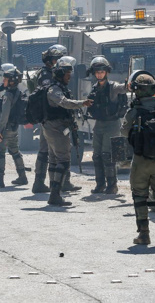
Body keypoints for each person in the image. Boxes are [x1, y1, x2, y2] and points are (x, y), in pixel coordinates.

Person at [121, 72, 155, 248]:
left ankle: (144, 234)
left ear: (137, 91)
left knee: (139, 195)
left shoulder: (134, 111)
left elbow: (123, 132)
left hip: (141, 161)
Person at [42, 56, 93, 206]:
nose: (69, 78)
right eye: (67, 75)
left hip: (56, 127)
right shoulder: (54, 90)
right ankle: (55, 194)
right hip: (55, 129)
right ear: (60, 75)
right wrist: (81, 103)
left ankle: (54, 191)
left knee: (54, 160)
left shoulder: (59, 88)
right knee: (63, 160)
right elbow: (64, 103)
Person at [28, 44, 72, 194]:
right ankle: (40, 182)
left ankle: (62, 182)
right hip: (49, 117)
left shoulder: (52, 74)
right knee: (46, 150)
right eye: (58, 60)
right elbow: (50, 94)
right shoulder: (46, 75)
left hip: (52, 117)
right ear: (51, 60)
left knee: (54, 151)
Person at [86, 56, 127, 194]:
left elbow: (122, 88)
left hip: (112, 124)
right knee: (96, 155)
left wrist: (129, 85)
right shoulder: (94, 89)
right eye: (97, 72)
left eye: (102, 71)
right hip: (99, 124)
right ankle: (100, 185)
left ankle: (112, 185)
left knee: (107, 155)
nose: (99, 74)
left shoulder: (113, 87)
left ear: (106, 72)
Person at [0, 64, 28, 188]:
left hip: (5, 128)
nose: (3, 81)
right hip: (14, 128)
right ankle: (22, 176)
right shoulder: (18, 92)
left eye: (5, 79)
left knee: (1, 152)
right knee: (15, 151)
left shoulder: (8, 95)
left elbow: (4, 115)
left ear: (11, 81)